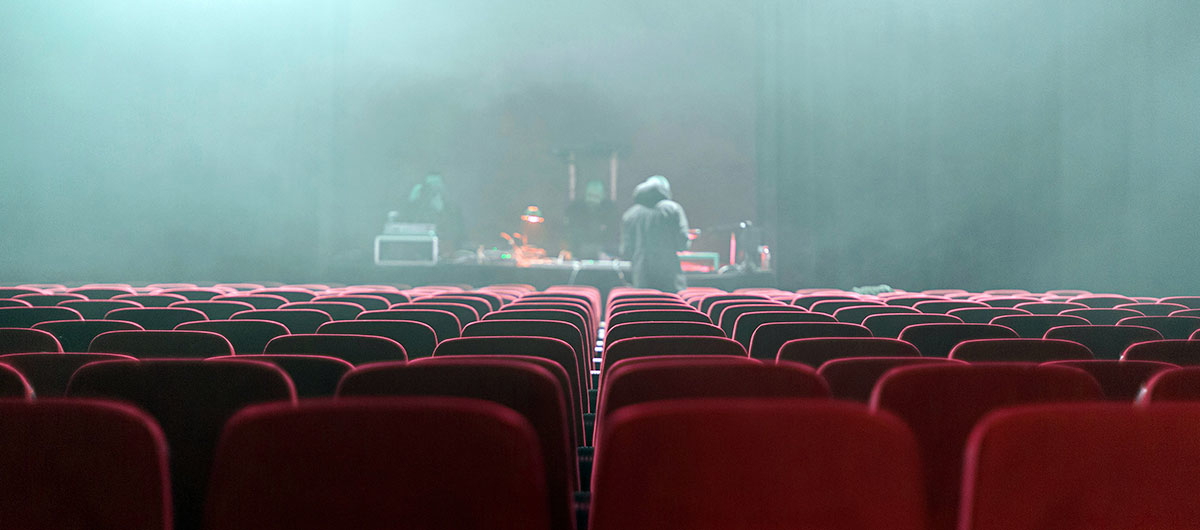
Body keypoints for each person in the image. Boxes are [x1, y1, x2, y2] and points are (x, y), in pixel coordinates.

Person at [620, 175, 690, 292]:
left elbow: (626, 251)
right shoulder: (673, 209)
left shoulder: (630, 215)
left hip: (641, 278)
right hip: (670, 279)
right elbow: (683, 243)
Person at [404, 172, 465, 255]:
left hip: (445, 253)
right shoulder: (418, 207)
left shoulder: (452, 209)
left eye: (437, 184)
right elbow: (407, 227)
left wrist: (441, 211)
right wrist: (412, 201)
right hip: (419, 253)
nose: (434, 188)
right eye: (430, 185)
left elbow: (456, 233)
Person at [563, 180, 619, 259]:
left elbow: (614, 236)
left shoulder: (611, 211)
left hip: (605, 255)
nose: (592, 200)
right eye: (590, 195)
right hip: (578, 254)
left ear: (603, 196)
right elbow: (571, 234)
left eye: (596, 196)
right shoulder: (575, 210)